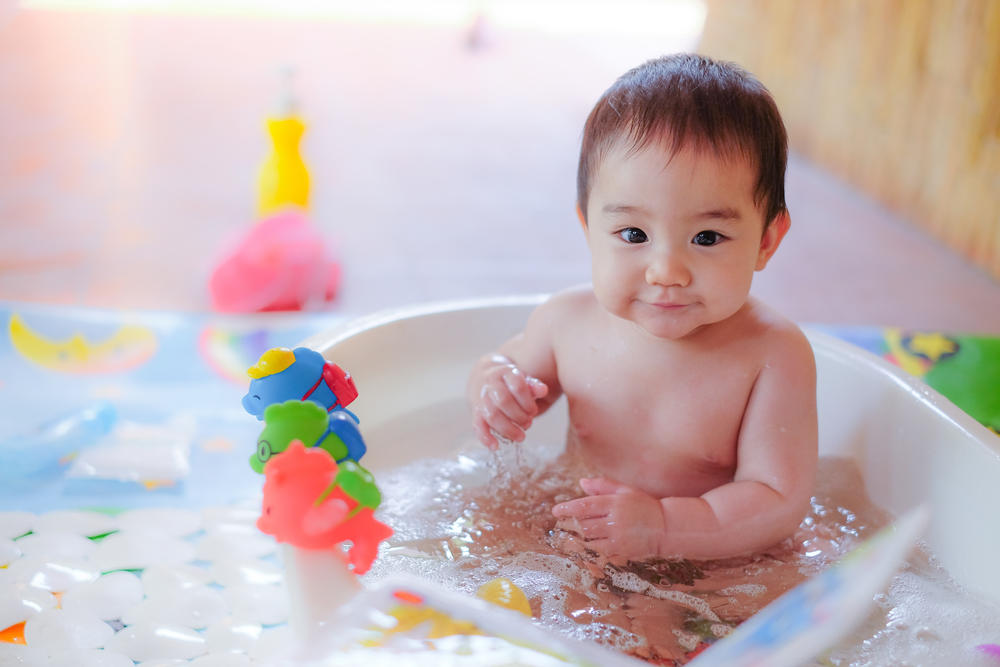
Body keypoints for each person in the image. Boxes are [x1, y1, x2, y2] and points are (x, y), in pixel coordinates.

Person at [466, 53, 818, 561]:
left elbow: (777, 500)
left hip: (705, 558)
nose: (666, 270)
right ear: (589, 228)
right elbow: (503, 367)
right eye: (634, 234)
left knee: (771, 589)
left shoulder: (771, 355)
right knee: (478, 540)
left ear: (766, 239)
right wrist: (495, 389)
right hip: (573, 528)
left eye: (707, 236)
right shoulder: (567, 323)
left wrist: (664, 529)